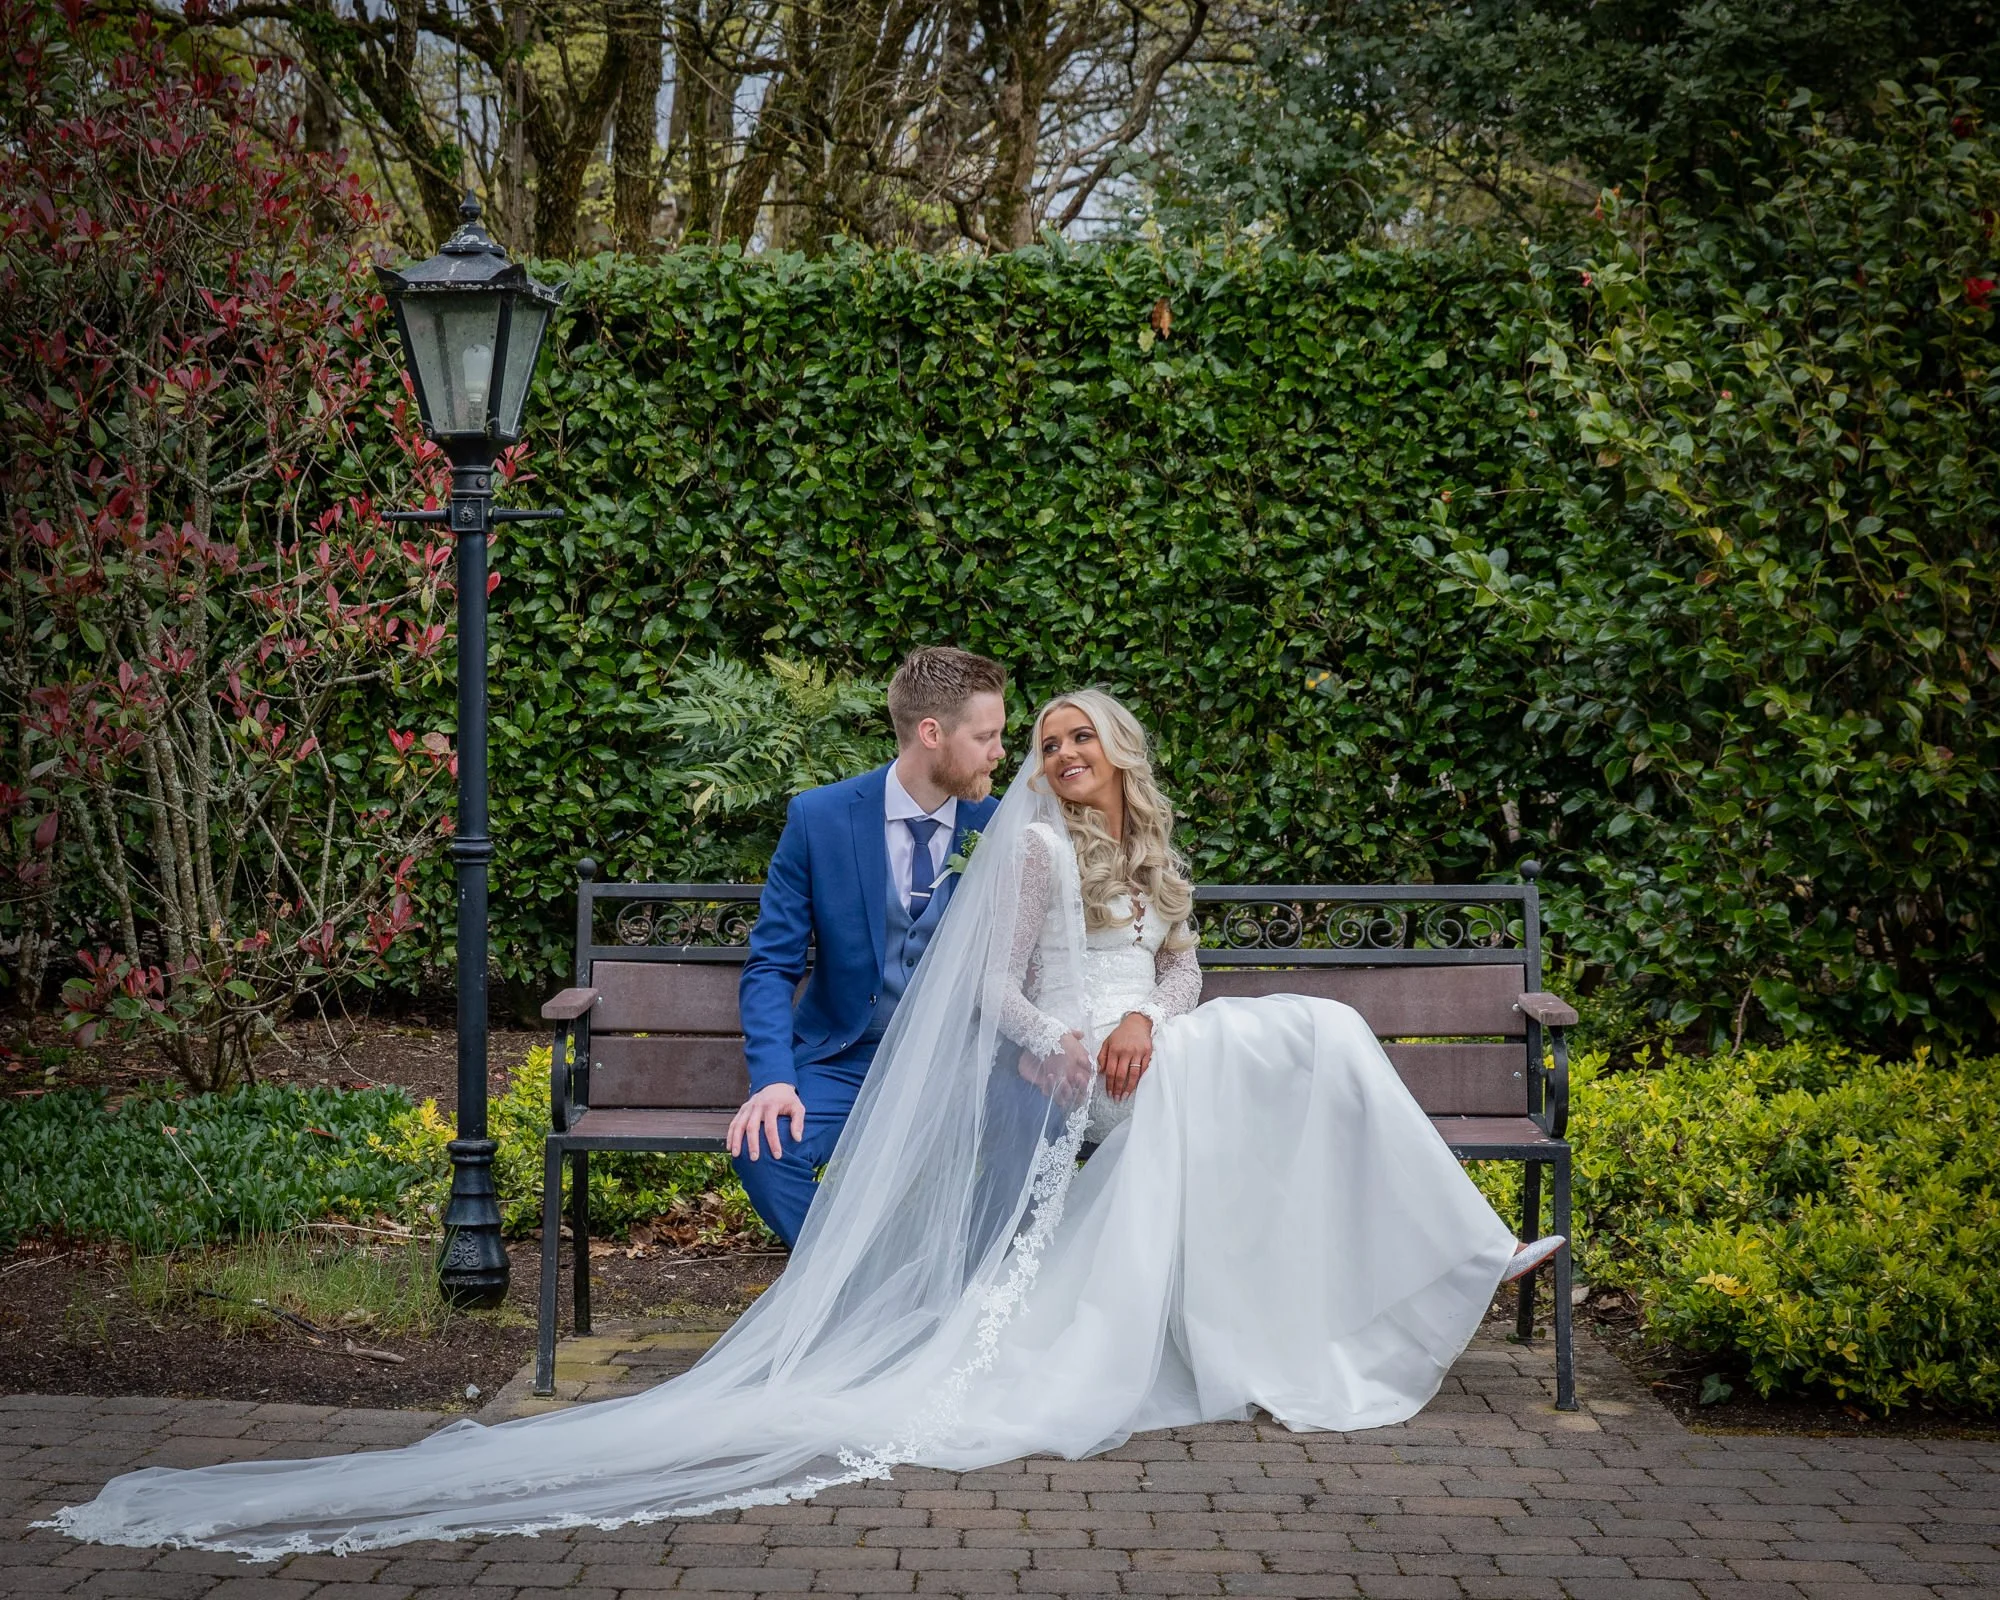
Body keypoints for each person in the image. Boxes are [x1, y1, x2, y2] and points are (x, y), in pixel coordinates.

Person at [44, 689, 1563, 1558]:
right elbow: (990, 998)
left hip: (1148, 1047)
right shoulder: (1017, 858)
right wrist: (1062, 1052)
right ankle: (1342, 1286)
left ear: (1121, 753)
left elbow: (1175, 963)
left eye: (1074, 742)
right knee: (1290, 1057)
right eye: (1037, 745)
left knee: (1316, 1036)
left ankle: (1410, 1266)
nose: (1056, 761)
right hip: (1059, 1069)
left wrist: (1150, 1019)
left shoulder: (1148, 849)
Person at [727, 645, 1007, 1247]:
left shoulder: (1000, 826)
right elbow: (771, 966)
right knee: (764, 1148)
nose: (1000, 753)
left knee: (1034, 1142)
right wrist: (774, 1079)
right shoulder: (819, 819)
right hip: (846, 1058)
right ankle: (856, 1298)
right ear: (932, 733)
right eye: (986, 736)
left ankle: (959, 1306)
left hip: (958, 1062)